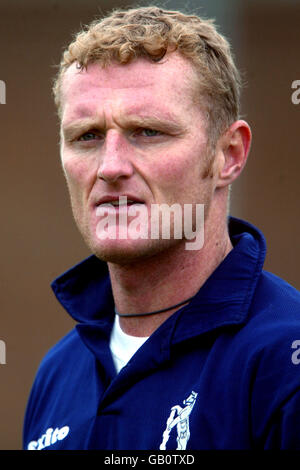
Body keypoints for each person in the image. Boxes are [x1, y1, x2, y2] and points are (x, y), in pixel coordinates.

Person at [23, 6, 300, 450]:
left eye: (147, 132)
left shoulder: (285, 358)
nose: (110, 167)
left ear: (228, 155)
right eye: (87, 136)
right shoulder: (57, 372)